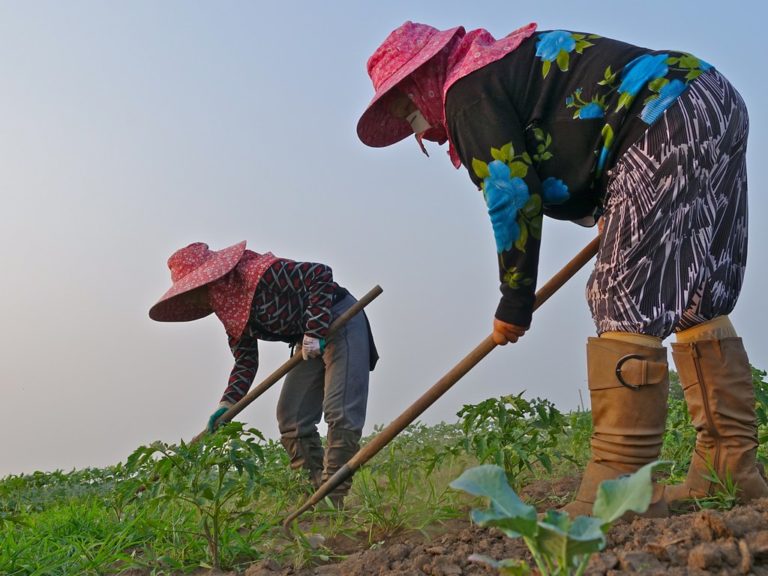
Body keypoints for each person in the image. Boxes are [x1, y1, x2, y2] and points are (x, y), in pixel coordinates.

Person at [357, 21, 765, 516]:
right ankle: (731, 469)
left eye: (406, 107)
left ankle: (618, 494)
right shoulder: (501, 69)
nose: (413, 126)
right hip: (709, 99)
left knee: (623, 296)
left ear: (423, 78)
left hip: (661, 115)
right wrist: (609, 214)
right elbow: (577, 141)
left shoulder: (466, 91)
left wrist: (515, 301)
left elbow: (511, 195)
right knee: (697, 295)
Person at [149, 241, 378, 505]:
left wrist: (315, 331)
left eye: (190, 290)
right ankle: (314, 497)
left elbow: (320, 275)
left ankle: (332, 497)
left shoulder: (259, 273)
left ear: (208, 280)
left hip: (340, 318)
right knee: (291, 416)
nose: (190, 298)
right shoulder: (230, 311)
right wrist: (227, 404)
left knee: (340, 410)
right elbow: (245, 361)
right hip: (308, 340)